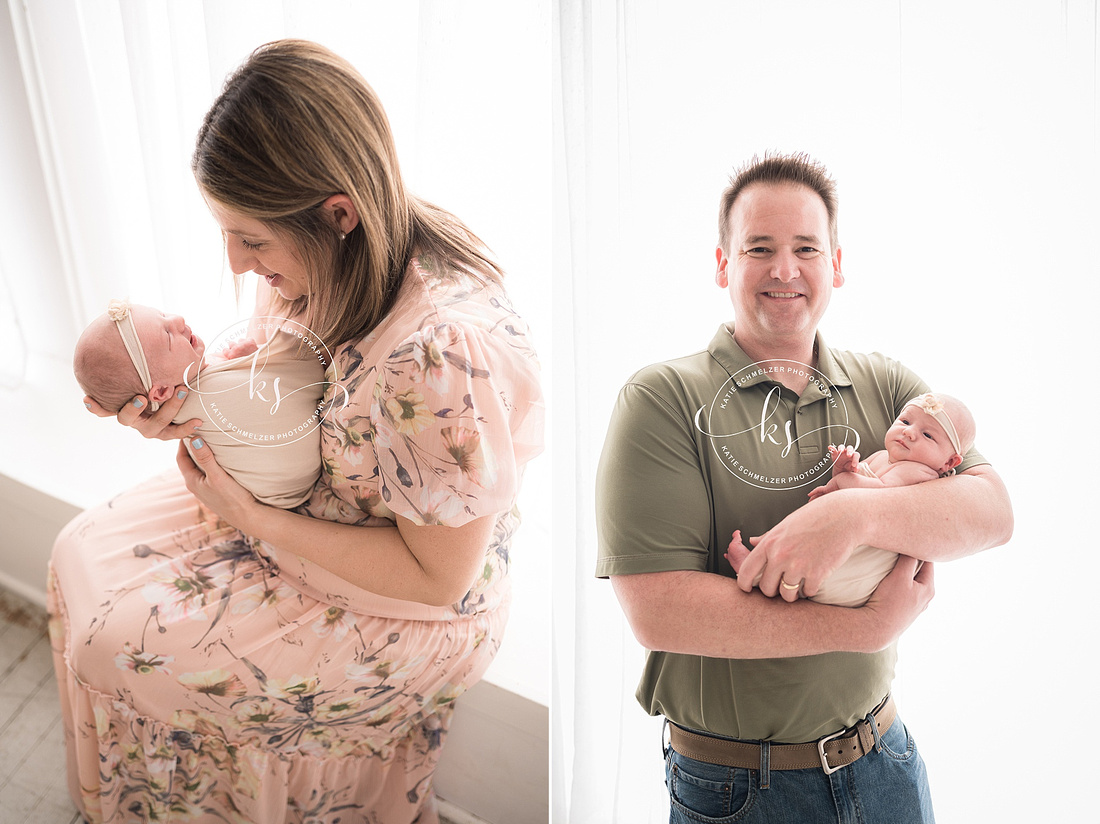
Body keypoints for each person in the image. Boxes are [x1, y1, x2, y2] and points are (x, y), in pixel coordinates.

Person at [49, 39, 543, 824]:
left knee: (116, 646)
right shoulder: (338, 259)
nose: (238, 265)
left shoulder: (439, 357)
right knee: (77, 552)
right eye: (226, 233)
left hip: (407, 593)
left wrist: (253, 518)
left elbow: (437, 579)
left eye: (251, 239)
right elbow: (285, 385)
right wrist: (187, 412)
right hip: (309, 505)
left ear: (337, 213)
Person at [595, 152, 1011, 823]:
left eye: (806, 248)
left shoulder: (890, 389)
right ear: (724, 265)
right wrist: (868, 627)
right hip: (737, 791)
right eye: (759, 248)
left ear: (836, 265)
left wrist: (851, 519)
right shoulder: (663, 399)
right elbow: (658, 610)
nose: (784, 269)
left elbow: (992, 511)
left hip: (886, 763)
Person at [726, 391, 976, 607]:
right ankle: (765, 563)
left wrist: (844, 480)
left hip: (868, 554)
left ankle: (758, 573)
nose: (909, 432)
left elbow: (877, 498)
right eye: (905, 421)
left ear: (949, 462)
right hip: (851, 534)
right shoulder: (883, 456)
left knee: (824, 565)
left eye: (928, 435)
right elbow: (851, 486)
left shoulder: (920, 473)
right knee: (805, 540)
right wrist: (842, 470)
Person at [74, 299, 325, 507]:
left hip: (273, 497)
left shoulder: (181, 397)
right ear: (161, 391)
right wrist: (257, 355)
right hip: (286, 490)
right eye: (168, 336)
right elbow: (309, 372)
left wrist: (248, 361)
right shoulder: (210, 394)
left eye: (164, 315)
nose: (178, 320)